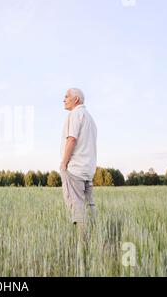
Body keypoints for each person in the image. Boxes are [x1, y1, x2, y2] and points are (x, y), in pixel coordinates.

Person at [60, 88, 97, 229]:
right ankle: (96, 236)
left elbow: (71, 139)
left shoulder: (75, 114)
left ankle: (83, 244)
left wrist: (64, 163)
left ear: (76, 99)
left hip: (75, 169)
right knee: (89, 205)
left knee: (77, 206)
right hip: (88, 170)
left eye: (66, 96)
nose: (64, 99)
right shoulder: (90, 118)